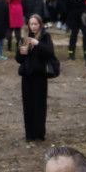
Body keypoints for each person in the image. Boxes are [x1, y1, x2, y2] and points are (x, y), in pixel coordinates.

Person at [15, 14, 54, 142]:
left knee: (40, 105)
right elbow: (19, 59)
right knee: (28, 106)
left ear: (40, 25)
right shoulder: (24, 38)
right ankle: (29, 134)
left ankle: (39, 133)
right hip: (27, 76)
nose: (33, 27)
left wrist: (38, 44)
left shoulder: (45, 37)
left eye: (36, 24)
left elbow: (50, 52)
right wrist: (21, 53)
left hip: (40, 76)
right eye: (31, 24)